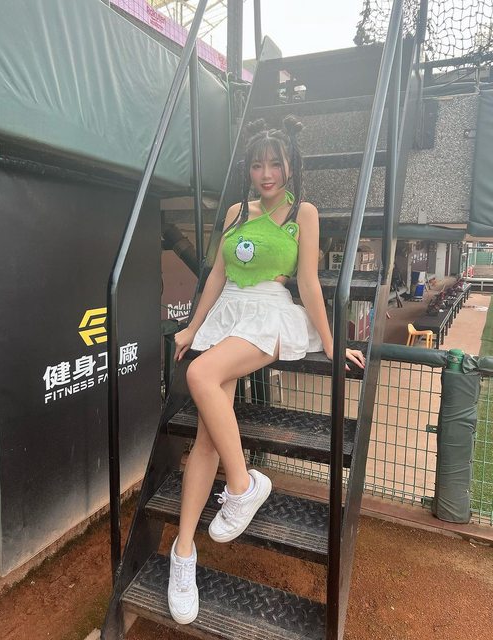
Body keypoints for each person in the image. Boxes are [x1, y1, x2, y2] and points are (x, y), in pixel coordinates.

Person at [167, 116, 366, 624]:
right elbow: (217, 274)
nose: (266, 173)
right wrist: (192, 326)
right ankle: (183, 553)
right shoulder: (237, 211)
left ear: (290, 165)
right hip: (227, 313)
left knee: (199, 376)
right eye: (257, 165)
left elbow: (309, 283)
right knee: (207, 438)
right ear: (249, 170)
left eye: (275, 164)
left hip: (267, 313)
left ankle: (242, 485)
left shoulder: (304, 213)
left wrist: (332, 341)